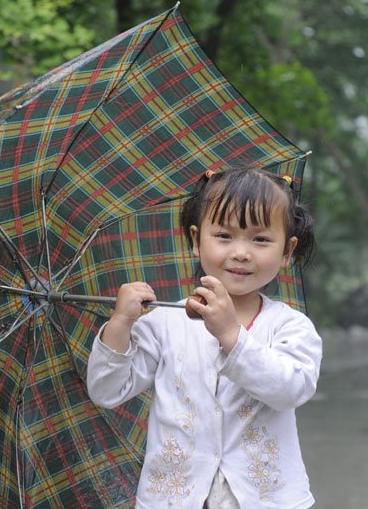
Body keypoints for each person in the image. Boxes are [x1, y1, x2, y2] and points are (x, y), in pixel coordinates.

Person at [87, 166, 322, 508]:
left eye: (260, 239)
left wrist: (230, 334)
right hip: (172, 498)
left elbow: (291, 389)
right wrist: (121, 323)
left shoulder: (291, 326)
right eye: (224, 236)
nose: (241, 252)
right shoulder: (166, 321)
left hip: (266, 499)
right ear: (197, 240)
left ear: (287, 250)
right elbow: (107, 390)